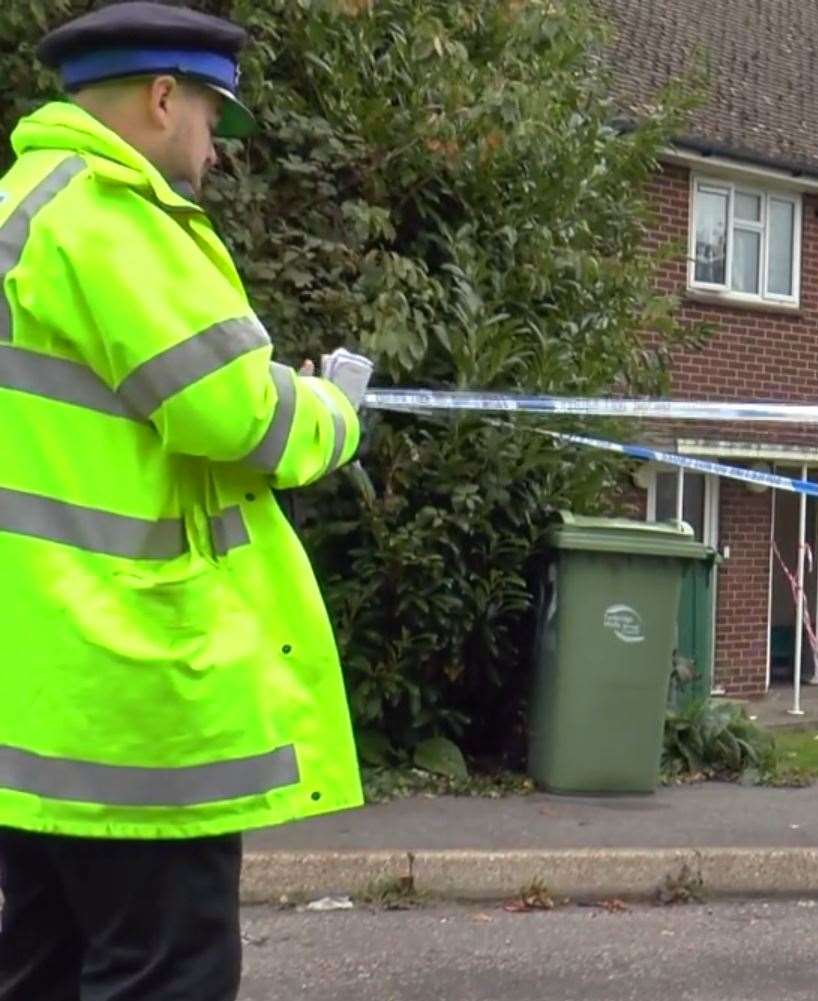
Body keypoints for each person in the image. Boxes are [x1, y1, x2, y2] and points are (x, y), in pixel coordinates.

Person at [0, 3, 368, 997]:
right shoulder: (115, 220)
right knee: (166, 972)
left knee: (41, 966)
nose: (216, 149)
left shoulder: (19, 207)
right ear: (163, 98)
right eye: (213, 119)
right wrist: (337, 409)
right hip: (133, 697)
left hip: (34, 703)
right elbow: (238, 413)